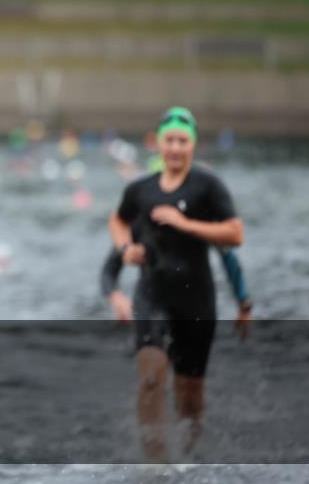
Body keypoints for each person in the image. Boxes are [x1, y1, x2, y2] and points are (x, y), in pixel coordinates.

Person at [106, 106, 248, 462]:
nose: (175, 148)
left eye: (183, 141)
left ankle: (187, 460)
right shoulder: (139, 190)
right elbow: (117, 221)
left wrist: (184, 224)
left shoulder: (208, 186)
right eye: (169, 140)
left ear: (193, 145)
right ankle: (155, 465)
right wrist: (125, 249)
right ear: (157, 143)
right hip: (151, 296)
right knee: (151, 377)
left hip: (196, 301)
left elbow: (235, 235)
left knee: (189, 398)